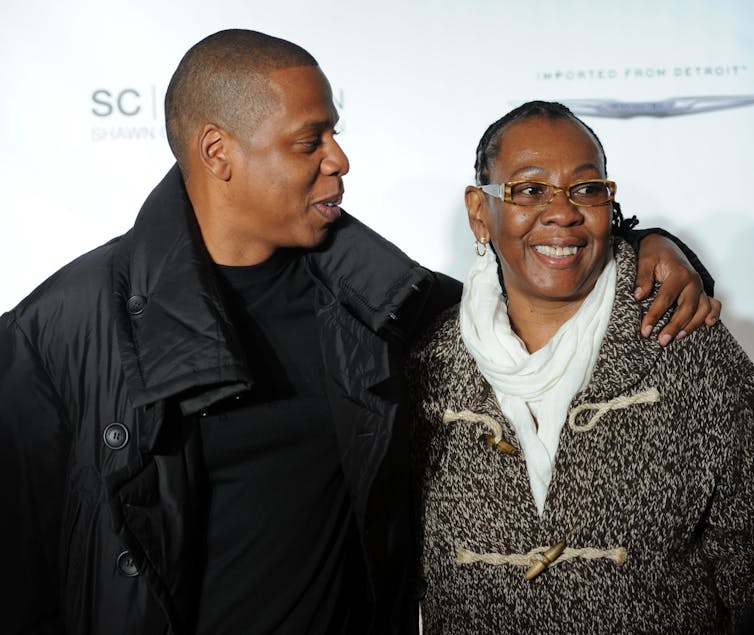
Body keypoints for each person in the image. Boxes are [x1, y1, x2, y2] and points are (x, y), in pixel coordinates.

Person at [0, 30, 718, 634]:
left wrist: (645, 243)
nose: (338, 159)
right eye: (309, 141)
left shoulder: (375, 301)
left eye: (335, 133)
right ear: (219, 153)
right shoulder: (56, 333)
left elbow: (536, 278)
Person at [408, 101, 754, 634]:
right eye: (529, 190)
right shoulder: (425, 365)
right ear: (480, 212)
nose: (562, 212)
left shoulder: (688, 345)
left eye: (587, 189)